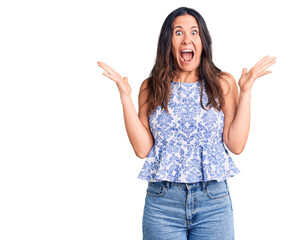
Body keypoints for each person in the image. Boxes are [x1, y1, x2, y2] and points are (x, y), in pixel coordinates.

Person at [97, 6, 276, 240]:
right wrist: (124, 97)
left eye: (194, 32)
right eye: (178, 32)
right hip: (163, 204)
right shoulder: (151, 87)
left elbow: (236, 144)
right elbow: (142, 149)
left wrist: (246, 92)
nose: (187, 39)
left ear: (202, 41)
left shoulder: (223, 83)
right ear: (168, 42)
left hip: (213, 203)